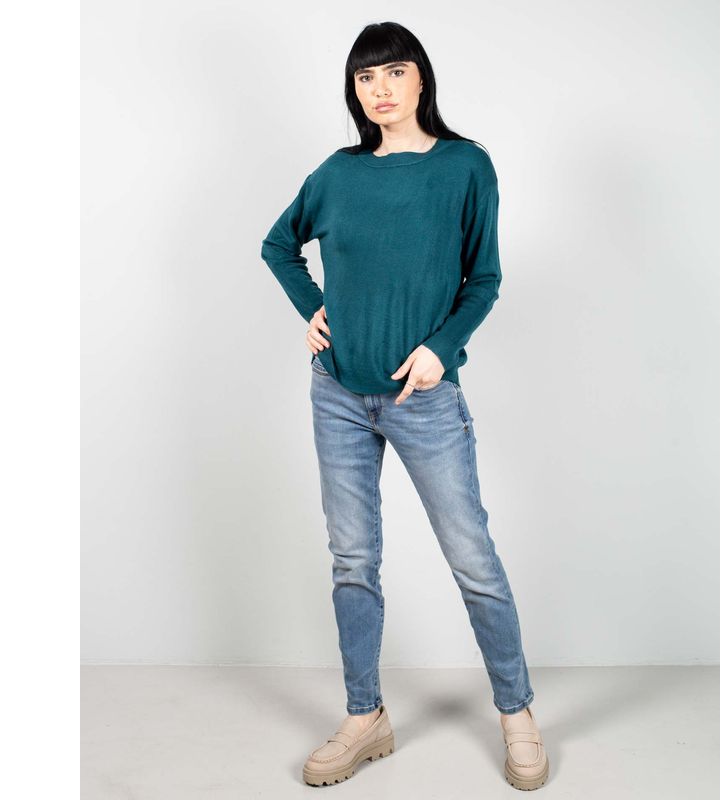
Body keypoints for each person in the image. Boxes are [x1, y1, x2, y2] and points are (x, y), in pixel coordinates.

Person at [260, 21, 549, 791]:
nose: (380, 89)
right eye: (365, 77)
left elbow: (483, 279)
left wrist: (440, 349)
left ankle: (517, 712)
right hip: (337, 395)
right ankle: (366, 717)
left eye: (393, 72)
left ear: (422, 78)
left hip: (424, 399)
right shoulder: (337, 173)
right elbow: (278, 245)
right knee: (353, 560)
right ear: (353, 91)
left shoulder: (464, 167)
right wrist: (312, 309)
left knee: (472, 559)